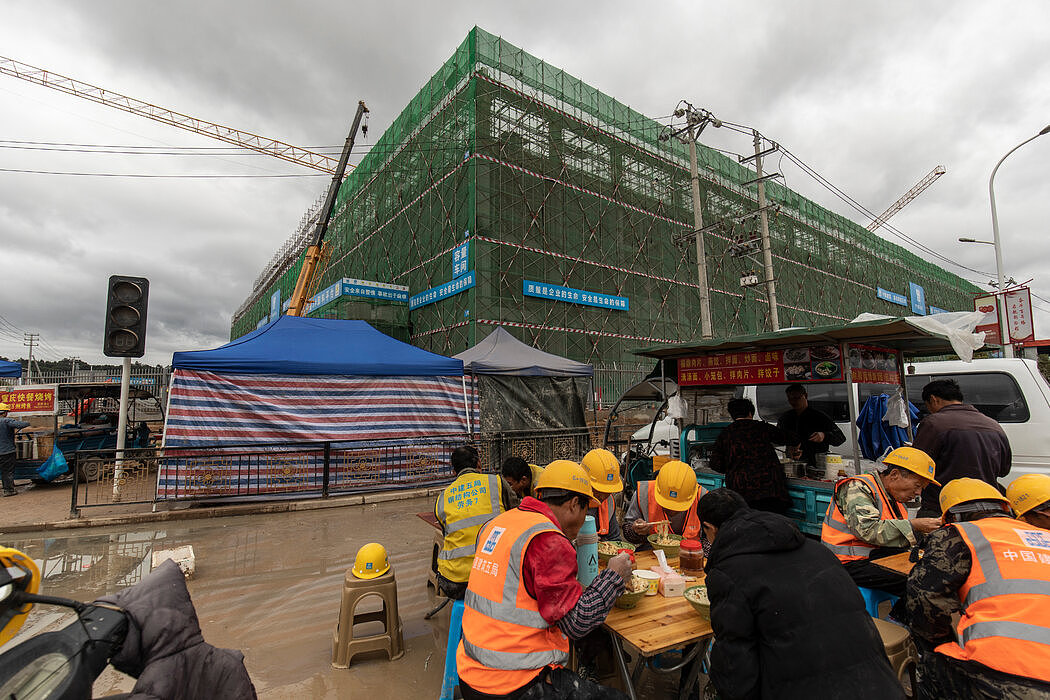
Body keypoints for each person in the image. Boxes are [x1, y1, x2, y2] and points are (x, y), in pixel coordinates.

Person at [700, 488, 903, 700]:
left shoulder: (729, 573)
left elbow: (736, 659)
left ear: (709, 528)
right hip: (880, 685)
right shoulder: (818, 551)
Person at [457, 460, 632, 700]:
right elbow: (576, 623)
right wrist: (613, 577)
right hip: (511, 682)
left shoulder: (498, 523)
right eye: (585, 510)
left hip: (471, 670)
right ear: (573, 505)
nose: (584, 519)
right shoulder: (547, 540)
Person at [906, 477, 1050, 698]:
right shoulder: (1043, 536)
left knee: (933, 661)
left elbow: (925, 602)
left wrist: (941, 641)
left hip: (1014, 679)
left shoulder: (957, 534)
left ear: (952, 517)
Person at [821, 446, 941, 598]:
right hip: (847, 563)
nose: (918, 493)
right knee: (919, 580)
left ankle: (900, 617)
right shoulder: (857, 487)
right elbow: (867, 530)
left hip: (875, 556)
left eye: (922, 489)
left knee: (932, 570)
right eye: (917, 486)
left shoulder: (893, 497)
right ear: (894, 474)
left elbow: (892, 533)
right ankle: (899, 619)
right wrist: (914, 525)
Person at [912, 378, 1012, 518]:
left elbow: (917, 465)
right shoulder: (993, 425)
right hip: (987, 506)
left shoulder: (934, 423)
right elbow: (1003, 470)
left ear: (933, 399)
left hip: (944, 507)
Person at [434, 445, 512, 600]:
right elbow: (515, 515)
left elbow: (447, 532)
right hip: (495, 575)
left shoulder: (442, 498)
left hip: (455, 582)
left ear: (454, 472)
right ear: (479, 464)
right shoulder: (496, 482)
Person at [708, 397, 799, 514]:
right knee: (772, 525)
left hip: (741, 495)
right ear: (750, 413)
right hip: (770, 491)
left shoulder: (725, 434)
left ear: (732, 415)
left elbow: (715, 464)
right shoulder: (761, 427)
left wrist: (733, 467)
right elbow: (790, 438)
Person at [623, 460, 707, 551]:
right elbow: (628, 534)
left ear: (691, 495)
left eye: (678, 507)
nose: (672, 511)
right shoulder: (643, 493)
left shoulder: (703, 497)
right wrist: (636, 532)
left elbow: (712, 538)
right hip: (653, 551)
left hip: (692, 553)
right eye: (667, 504)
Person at [776, 383, 845, 468]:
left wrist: (823, 436)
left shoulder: (819, 417)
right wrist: (789, 447)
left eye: (797, 398)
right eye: (790, 399)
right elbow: (777, 438)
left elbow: (840, 438)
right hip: (792, 464)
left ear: (805, 396)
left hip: (816, 464)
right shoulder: (785, 418)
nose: (794, 402)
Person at [581, 448, 623, 542]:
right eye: (599, 490)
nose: (603, 496)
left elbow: (615, 539)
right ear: (585, 481)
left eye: (608, 490)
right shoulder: (568, 502)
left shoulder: (609, 502)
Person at [0, 403, 29, 497]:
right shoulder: (6, 421)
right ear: (5, 413)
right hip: (7, 452)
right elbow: (20, 424)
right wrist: (27, 423)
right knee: (7, 471)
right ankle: (8, 490)